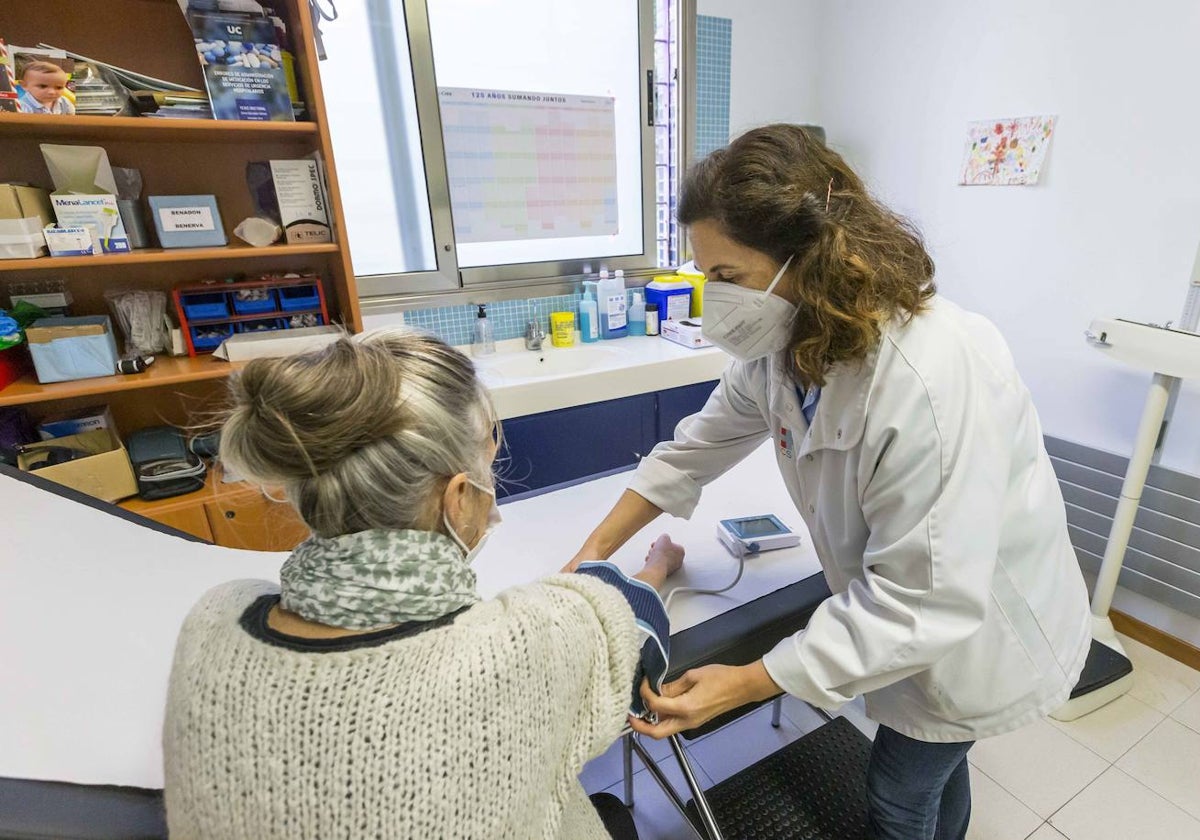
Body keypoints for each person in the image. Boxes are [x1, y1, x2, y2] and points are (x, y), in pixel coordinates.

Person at [569, 124, 1092, 840]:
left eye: (726, 278)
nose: (711, 299)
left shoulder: (928, 377)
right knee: (934, 767)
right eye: (704, 275)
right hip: (913, 607)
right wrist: (590, 555)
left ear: (809, 259)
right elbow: (694, 449)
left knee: (901, 793)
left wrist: (748, 680)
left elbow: (921, 601)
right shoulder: (785, 347)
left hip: (978, 628)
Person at [163, 330, 683, 839]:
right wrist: (656, 565)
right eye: (487, 462)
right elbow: (629, 623)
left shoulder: (213, 618)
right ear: (457, 497)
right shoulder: (522, 643)